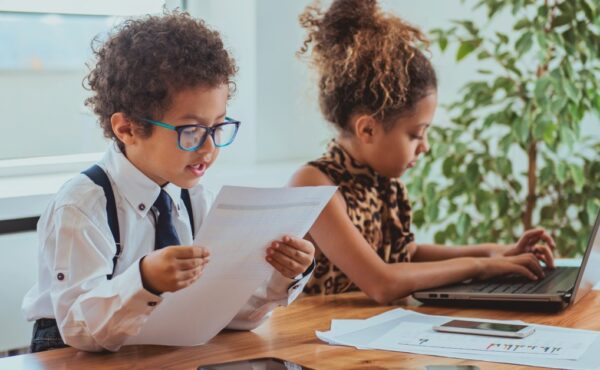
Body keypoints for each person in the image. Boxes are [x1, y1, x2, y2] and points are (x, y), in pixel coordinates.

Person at [22, 11, 315, 352]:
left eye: (218, 127)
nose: (209, 147)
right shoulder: (82, 207)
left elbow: (230, 318)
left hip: (157, 354)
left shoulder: (196, 200)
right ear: (127, 129)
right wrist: (145, 280)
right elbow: (80, 329)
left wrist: (284, 275)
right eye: (190, 131)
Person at [289, 0, 555, 303]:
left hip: (366, 340)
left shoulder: (381, 184)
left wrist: (495, 252)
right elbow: (381, 281)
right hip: (313, 344)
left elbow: (407, 255)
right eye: (416, 134)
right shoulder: (314, 185)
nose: (425, 146)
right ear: (367, 130)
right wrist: (481, 266)